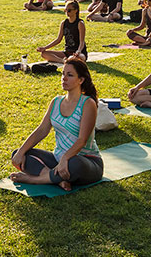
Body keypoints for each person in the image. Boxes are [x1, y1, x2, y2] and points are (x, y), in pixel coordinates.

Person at [9, 56, 105, 191]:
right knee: (19, 154)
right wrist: (21, 151)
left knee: (74, 163)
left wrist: (66, 158)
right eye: (63, 74)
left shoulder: (88, 103)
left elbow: (82, 140)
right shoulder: (56, 102)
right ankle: (56, 179)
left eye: (70, 75)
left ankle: (36, 180)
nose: (64, 78)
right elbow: (42, 130)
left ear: (81, 80)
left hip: (86, 161)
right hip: (58, 159)